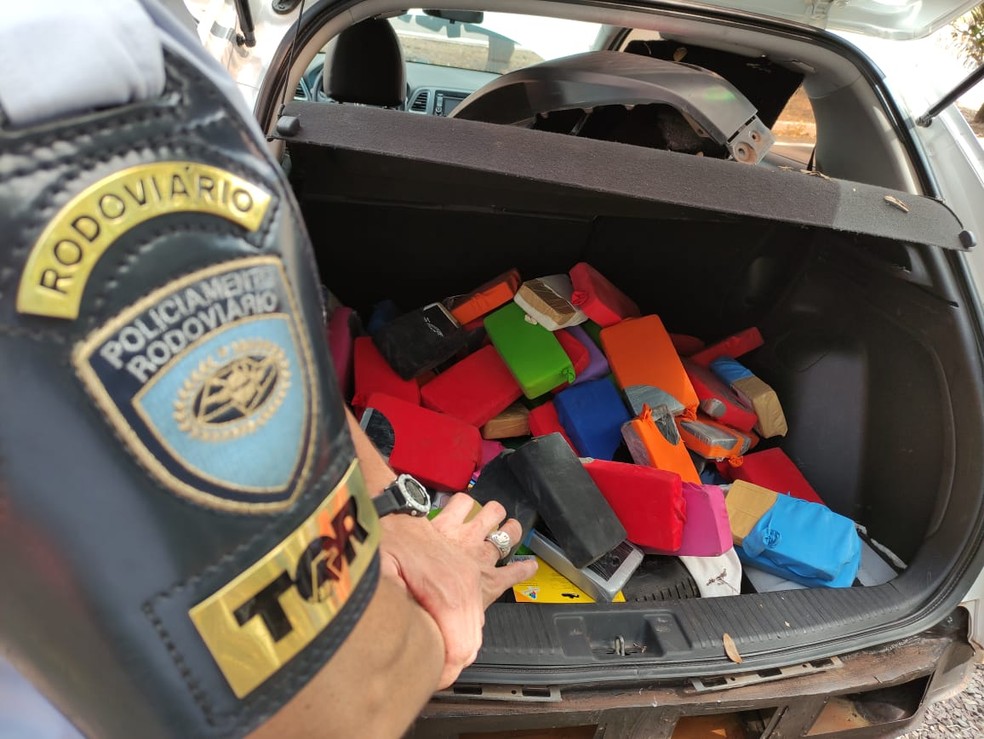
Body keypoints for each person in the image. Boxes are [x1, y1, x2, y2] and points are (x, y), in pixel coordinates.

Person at [0, 1, 537, 738]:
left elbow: (249, 363)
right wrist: (450, 595)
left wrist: (389, 510)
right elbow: (340, 708)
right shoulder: (72, 61)